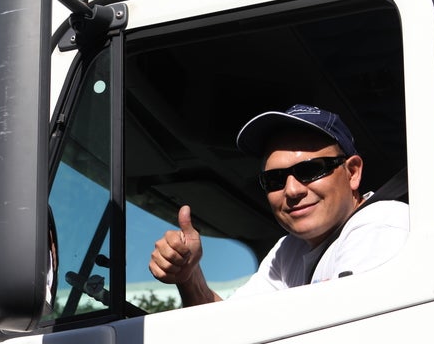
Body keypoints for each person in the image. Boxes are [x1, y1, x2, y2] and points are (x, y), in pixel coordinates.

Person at [148, 104, 409, 306]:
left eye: (311, 170)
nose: (292, 190)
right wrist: (188, 276)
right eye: (274, 179)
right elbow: (231, 327)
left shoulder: (381, 225)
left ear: (352, 173)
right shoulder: (288, 251)